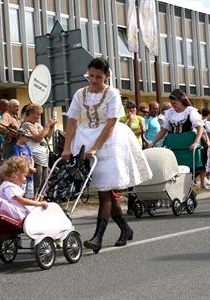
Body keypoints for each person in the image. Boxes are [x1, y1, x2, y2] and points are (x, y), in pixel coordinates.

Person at [61, 58, 152, 253]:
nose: (93, 80)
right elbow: (71, 121)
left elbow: (111, 123)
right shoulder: (80, 94)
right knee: (106, 190)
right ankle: (125, 228)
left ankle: (98, 237)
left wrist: (96, 148)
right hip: (85, 136)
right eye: (91, 76)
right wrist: (67, 147)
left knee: (104, 190)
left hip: (109, 141)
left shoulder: (112, 94)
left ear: (106, 77)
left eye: (98, 77)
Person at [0, 156, 48, 222]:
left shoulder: (8, 185)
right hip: (0, 210)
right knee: (24, 212)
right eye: (24, 176)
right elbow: (21, 201)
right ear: (15, 175)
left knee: (27, 208)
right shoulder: (9, 186)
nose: (25, 179)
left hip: (3, 208)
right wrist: (38, 203)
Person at [148, 89, 204, 165]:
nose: (172, 105)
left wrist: (196, 142)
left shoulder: (190, 112)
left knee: (190, 166)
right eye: (171, 103)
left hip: (188, 143)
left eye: (174, 103)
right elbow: (164, 130)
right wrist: (153, 142)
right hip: (173, 144)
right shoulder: (169, 113)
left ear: (181, 101)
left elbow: (200, 128)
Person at [21, 104, 57, 196]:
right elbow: (38, 138)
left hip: (43, 157)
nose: (39, 117)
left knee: (44, 181)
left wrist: (51, 127)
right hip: (35, 158)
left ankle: (41, 198)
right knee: (37, 181)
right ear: (31, 113)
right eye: (37, 114)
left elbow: (47, 137)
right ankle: (34, 199)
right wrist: (47, 125)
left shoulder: (37, 124)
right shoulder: (26, 124)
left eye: (40, 114)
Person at [13, 128, 37, 198]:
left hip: (30, 174)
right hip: (22, 175)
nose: (28, 139)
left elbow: (31, 158)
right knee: (22, 193)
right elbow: (19, 160)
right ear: (20, 136)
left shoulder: (27, 147)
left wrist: (31, 167)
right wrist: (29, 168)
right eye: (27, 137)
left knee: (30, 194)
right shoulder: (16, 148)